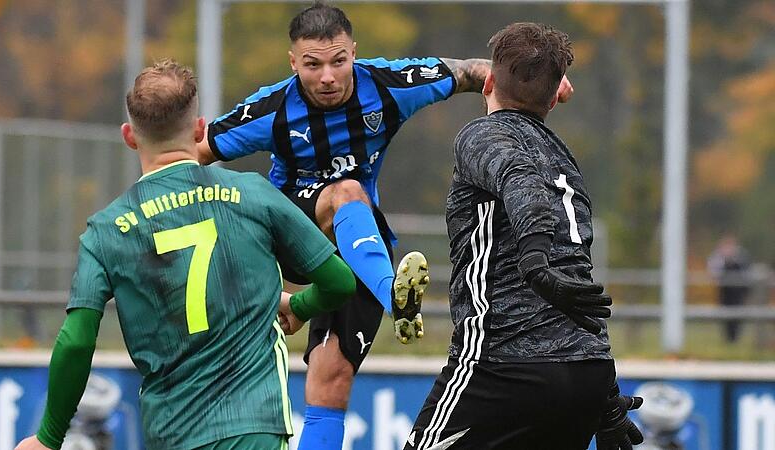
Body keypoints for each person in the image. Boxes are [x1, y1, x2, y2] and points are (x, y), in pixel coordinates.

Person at [198, 4, 575, 448]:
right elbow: (194, 154)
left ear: (354, 53)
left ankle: (341, 302)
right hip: (287, 234)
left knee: (331, 378)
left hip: (353, 244)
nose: (327, 77)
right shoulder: (272, 110)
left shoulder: (389, 85)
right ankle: (396, 299)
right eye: (312, 65)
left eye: (338, 61)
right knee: (347, 191)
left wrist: (539, 80)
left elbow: (473, 73)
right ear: (293, 62)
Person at [14, 59, 357, 450]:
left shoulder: (106, 229)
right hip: (253, 426)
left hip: (173, 434)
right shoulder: (252, 193)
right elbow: (339, 280)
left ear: (129, 136)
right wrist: (298, 305)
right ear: (199, 129)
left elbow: (76, 341)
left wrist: (48, 437)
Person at [404, 23, 643, 450]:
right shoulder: (563, 161)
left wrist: (535, 266)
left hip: (504, 364)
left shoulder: (483, 135)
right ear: (554, 99)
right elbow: (579, 279)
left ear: (489, 81)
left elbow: (523, 188)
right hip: (586, 373)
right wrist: (606, 397)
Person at [707, 235, 751, 343]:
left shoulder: (741, 256)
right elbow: (714, 272)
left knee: (737, 316)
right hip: (725, 291)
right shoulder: (718, 257)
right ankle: (728, 339)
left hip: (738, 291)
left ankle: (735, 339)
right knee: (725, 315)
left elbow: (746, 273)